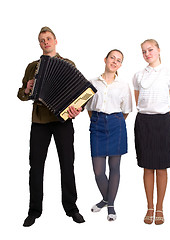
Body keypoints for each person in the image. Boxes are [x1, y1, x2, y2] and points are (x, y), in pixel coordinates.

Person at [17, 26, 85, 226]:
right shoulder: (32, 67)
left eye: (48, 38)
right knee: (36, 167)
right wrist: (27, 89)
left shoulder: (68, 64)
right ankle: (34, 210)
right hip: (39, 121)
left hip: (63, 121)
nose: (45, 42)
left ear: (55, 41)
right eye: (41, 40)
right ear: (39, 44)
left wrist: (77, 108)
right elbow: (21, 94)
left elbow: (79, 93)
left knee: (67, 164)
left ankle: (71, 208)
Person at [133, 39, 170, 225]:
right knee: (147, 166)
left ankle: (160, 206)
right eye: (143, 51)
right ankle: (149, 206)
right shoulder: (137, 75)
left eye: (150, 50)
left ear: (159, 50)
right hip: (144, 121)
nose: (147, 54)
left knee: (161, 167)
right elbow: (138, 101)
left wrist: (165, 122)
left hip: (163, 122)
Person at [86, 49, 133, 221]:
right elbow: (89, 107)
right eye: (112, 58)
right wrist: (99, 120)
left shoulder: (123, 85)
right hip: (97, 124)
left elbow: (126, 110)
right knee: (98, 171)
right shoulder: (92, 82)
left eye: (118, 60)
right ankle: (106, 198)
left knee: (115, 168)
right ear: (105, 59)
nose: (114, 61)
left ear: (120, 65)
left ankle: (110, 204)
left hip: (116, 125)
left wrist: (114, 120)